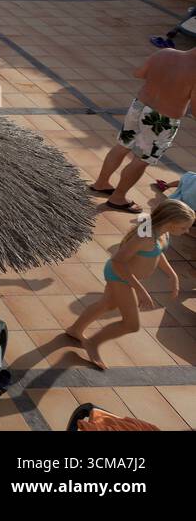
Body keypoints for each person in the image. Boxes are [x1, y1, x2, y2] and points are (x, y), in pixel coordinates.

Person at [66, 199, 194, 369]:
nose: (187, 231)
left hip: (125, 276)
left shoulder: (162, 232)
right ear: (170, 222)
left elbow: (158, 252)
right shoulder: (145, 236)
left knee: (107, 304)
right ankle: (93, 343)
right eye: (184, 227)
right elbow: (118, 261)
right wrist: (140, 290)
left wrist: (172, 274)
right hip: (120, 276)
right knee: (131, 325)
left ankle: (75, 330)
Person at [93, 47, 196, 212]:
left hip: (139, 106)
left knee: (122, 145)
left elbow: (139, 73)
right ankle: (118, 198)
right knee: (141, 161)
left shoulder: (165, 53)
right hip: (162, 120)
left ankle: (101, 183)